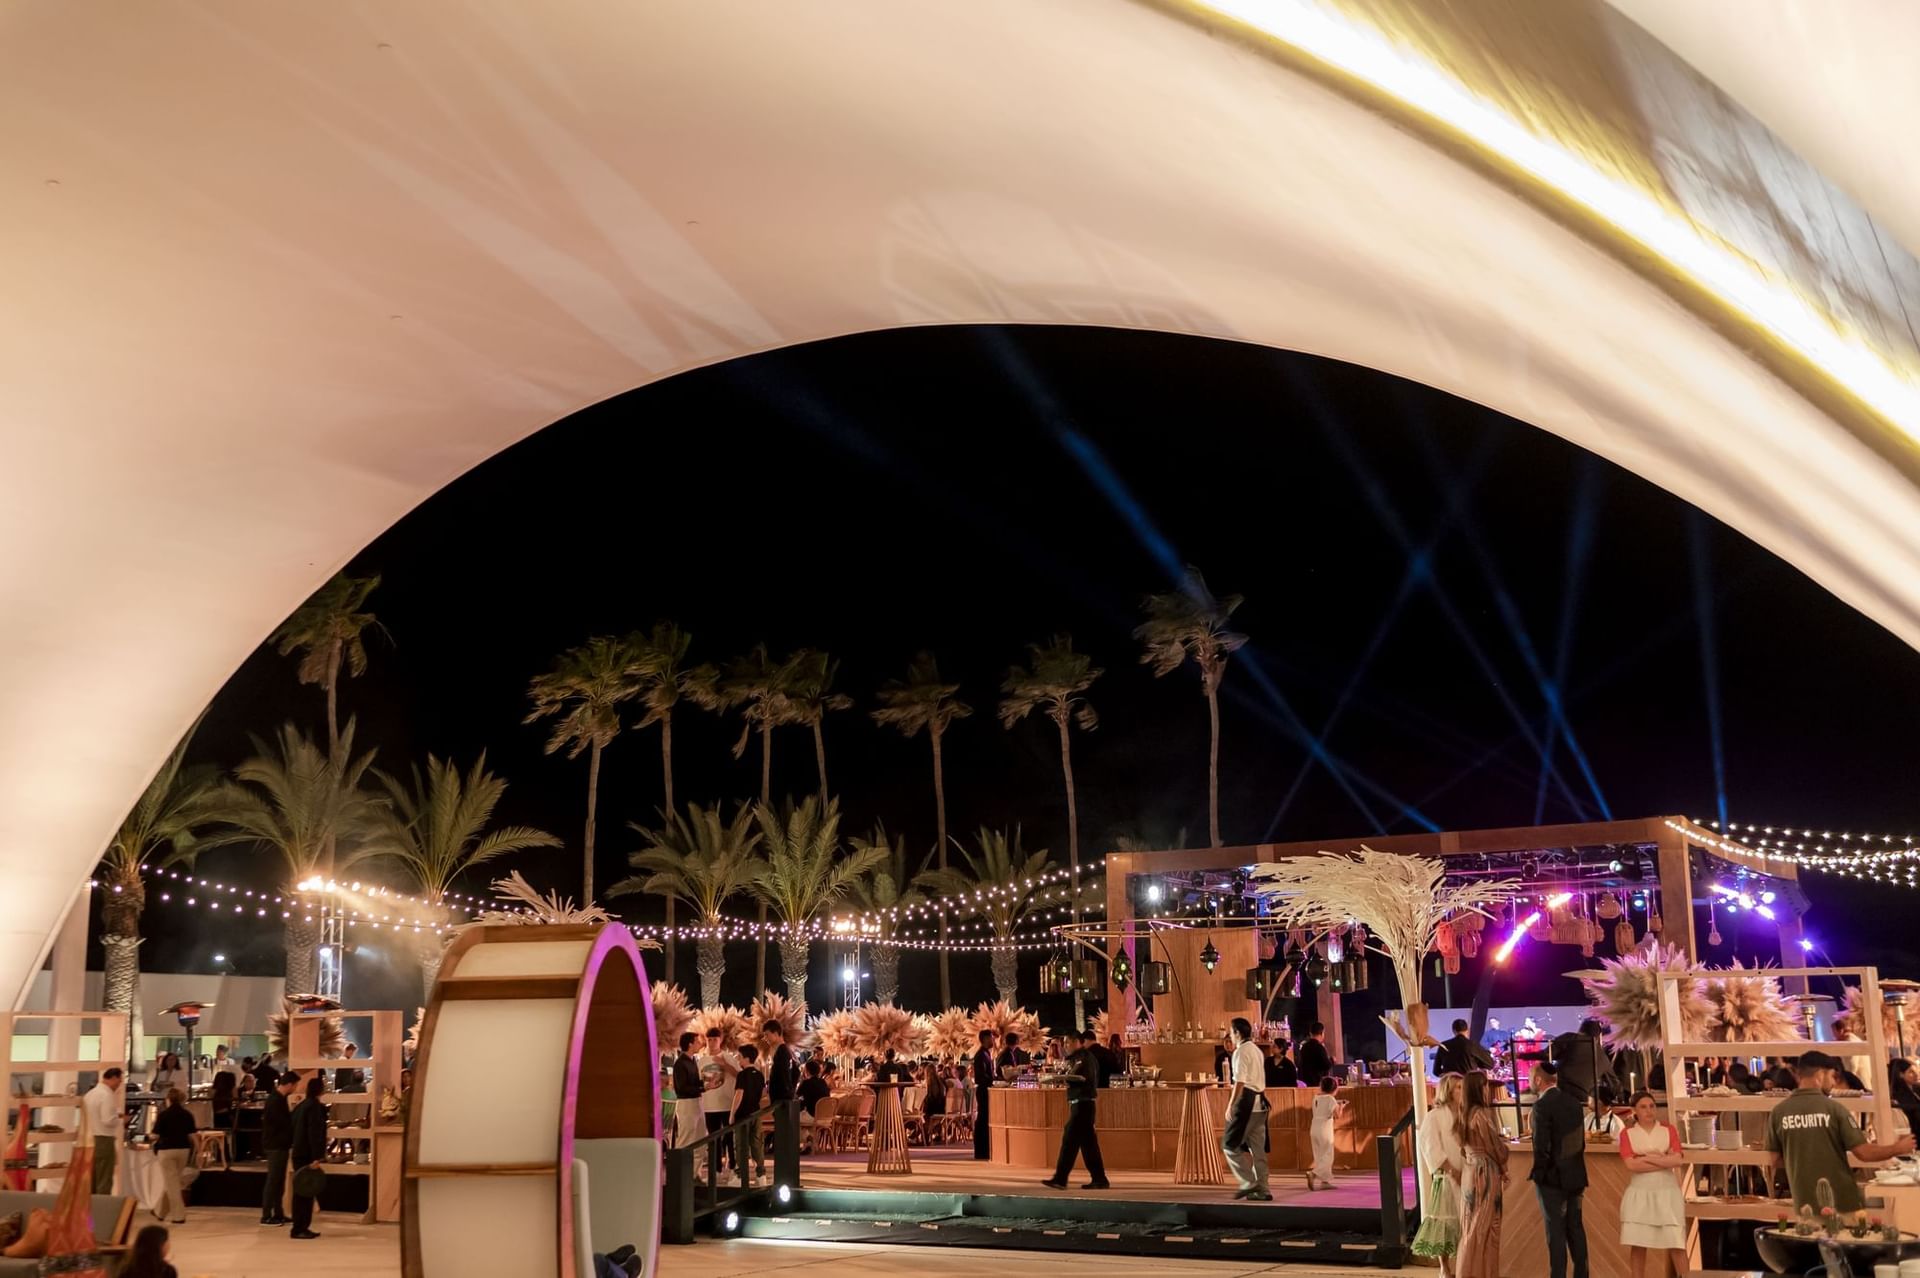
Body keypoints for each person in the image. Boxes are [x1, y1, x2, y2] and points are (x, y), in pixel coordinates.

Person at [1765, 1049, 1915, 1213]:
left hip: (1803, 1202)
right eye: (1831, 1076)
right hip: (1841, 1201)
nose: (1833, 1083)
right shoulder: (1834, 1109)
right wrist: (1898, 1148)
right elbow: (1864, 1153)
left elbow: (1774, 1159)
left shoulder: (1778, 1112)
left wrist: (1803, 1162)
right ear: (1820, 1075)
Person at [1617, 1090, 1687, 1278]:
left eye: (1651, 1106)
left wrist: (1646, 1158)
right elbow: (1631, 1164)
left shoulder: (1668, 1130)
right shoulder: (1627, 1134)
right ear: (1634, 1111)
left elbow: (1678, 1161)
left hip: (1667, 1192)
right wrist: (1661, 1158)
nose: (1649, 1111)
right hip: (1640, 1193)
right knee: (1638, 1243)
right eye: (1643, 1107)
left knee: (1676, 1242)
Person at [1530, 1061, 1590, 1278]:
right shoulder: (1574, 1103)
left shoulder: (1541, 1107)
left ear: (1538, 1080)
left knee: (1555, 1233)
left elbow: (1541, 1146)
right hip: (1575, 1174)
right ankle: (1582, 1274)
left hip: (1552, 1179)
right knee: (1576, 1229)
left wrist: (1539, 1173)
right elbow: (1580, 1141)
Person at [1455, 1071, 1509, 1278]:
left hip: (1470, 1171)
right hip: (1485, 1172)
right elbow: (1494, 1146)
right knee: (1485, 1226)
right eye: (1486, 1086)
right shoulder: (1480, 1115)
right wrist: (1504, 1167)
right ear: (1480, 1089)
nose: (1488, 1090)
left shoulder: (1463, 1113)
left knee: (1470, 1223)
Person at [1041, 1029, 1108, 1190]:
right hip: (1081, 1104)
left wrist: (1064, 1078)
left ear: (1077, 1041)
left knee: (1069, 1141)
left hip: (1083, 1104)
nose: (1066, 1046)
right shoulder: (1077, 1058)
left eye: (1068, 1042)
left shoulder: (1084, 1058)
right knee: (1088, 1145)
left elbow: (1081, 1077)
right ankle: (1099, 1178)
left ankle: (1060, 1178)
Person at [1412, 1072, 1465, 1273]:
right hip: (1447, 1175)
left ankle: (1463, 1262)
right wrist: (1450, 1169)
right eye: (1458, 1088)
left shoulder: (1465, 1113)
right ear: (1448, 1091)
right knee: (1445, 1222)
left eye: (1462, 1087)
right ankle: (1445, 1267)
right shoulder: (1435, 1116)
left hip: (1466, 1173)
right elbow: (1429, 1145)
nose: (1462, 1091)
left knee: (1463, 1221)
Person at [1222, 1017, 1272, 1201]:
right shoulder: (1257, 1050)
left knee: (1229, 1145)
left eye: (1231, 1032)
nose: (1230, 1036)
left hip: (1247, 1102)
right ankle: (1264, 1189)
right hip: (1261, 1104)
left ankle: (1248, 1182)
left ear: (1237, 1033)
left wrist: (1230, 1104)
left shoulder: (1241, 1052)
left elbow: (1240, 1082)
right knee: (1257, 1149)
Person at [289, 1074, 329, 1239]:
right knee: (306, 1191)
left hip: (298, 1152)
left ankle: (299, 1226)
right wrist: (317, 1156)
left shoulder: (301, 1106)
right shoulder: (314, 1107)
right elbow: (314, 1133)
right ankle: (300, 1227)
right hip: (307, 1154)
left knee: (301, 1190)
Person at [148, 1087, 196, 1224]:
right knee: (173, 1182)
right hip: (183, 1151)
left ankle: (179, 1216)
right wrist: (198, 1152)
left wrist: (147, 1138)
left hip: (166, 1150)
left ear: (168, 1099)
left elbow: (155, 1135)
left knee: (172, 1184)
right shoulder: (187, 1114)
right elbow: (193, 1135)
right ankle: (160, 1211)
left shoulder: (163, 1115)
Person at [698, 1027, 741, 1179]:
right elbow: (699, 1081)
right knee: (713, 1139)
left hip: (726, 1104)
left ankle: (732, 1166)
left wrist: (724, 1065)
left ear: (720, 1040)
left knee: (729, 1138)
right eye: (709, 1039)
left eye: (715, 1039)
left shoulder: (728, 1057)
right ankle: (716, 1169)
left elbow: (739, 1075)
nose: (712, 1042)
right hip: (709, 1106)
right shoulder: (702, 1060)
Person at [260, 1070, 298, 1226]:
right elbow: (280, 1123)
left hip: (279, 1144)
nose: (296, 1088)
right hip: (275, 1145)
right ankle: (266, 1215)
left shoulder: (279, 1099)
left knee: (279, 1181)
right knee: (273, 1180)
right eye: (295, 1085)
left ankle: (278, 1213)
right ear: (289, 1084)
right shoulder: (275, 1100)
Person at [1550, 1019, 1615, 1107]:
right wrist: (1620, 1102)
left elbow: (1547, 1055)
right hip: (1582, 1100)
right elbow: (1614, 1082)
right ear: (1597, 1036)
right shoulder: (1601, 1056)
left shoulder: (1570, 1039)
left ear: (1581, 1029)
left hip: (1558, 1093)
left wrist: (1525, 1056)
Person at [84, 1066, 126, 1193]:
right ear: (113, 1078)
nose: (119, 1085)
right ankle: (102, 1209)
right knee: (104, 1178)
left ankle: (89, 1210)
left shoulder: (89, 1095)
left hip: (89, 1139)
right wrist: (121, 1120)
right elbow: (108, 1120)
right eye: (119, 1081)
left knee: (91, 1179)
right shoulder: (107, 1095)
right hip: (104, 1139)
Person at [731, 1043, 767, 1185]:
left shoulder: (742, 1075)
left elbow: (738, 1094)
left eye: (739, 1057)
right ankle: (760, 1174)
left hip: (743, 1114)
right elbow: (764, 1093)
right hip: (756, 1112)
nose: (738, 1060)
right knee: (756, 1143)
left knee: (741, 1145)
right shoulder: (759, 1075)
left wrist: (732, 1113)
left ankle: (740, 1176)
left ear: (746, 1059)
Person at [669, 1033, 703, 1151]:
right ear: (690, 1044)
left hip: (697, 1101)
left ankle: (696, 1169)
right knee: (686, 1138)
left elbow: (693, 1082)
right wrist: (703, 1088)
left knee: (700, 1138)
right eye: (697, 1042)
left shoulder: (693, 1061)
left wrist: (705, 1083)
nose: (700, 1044)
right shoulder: (680, 1063)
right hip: (686, 1103)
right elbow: (682, 1087)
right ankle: (681, 1168)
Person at [1308, 1075, 1342, 1190]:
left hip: (1314, 1128)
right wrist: (1341, 1106)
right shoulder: (1331, 1099)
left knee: (1319, 1155)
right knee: (1328, 1155)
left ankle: (1325, 1181)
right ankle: (1314, 1173)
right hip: (1325, 1129)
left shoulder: (1316, 1097)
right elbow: (1337, 1115)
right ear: (1334, 1089)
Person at [797, 1059, 832, 1150]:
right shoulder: (823, 1082)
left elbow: (796, 1096)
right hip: (825, 1117)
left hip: (812, 1116)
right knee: (803, 1120)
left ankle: (808, 1139)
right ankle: (809, 1142)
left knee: (791, 1119)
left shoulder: (806, 1083)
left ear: (807, 1071)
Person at [972, 1031, 996, 1160]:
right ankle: (980, 1151)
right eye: (992, 1038)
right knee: (982, 1119)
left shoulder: (986, 1054)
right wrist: (994, 1081)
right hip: (983, 1091)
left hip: (985, 1090)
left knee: (984, 1119)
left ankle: (983, 1150)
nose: (993, 1041)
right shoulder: (981, 1055)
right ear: (985, 1039)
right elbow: (981, 1076)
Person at [763, 1020, 797, 1110]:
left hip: (781, 1101)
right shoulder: (784, 1050)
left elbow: (786, 1074)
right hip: (782, 1099)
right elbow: (796, 1072)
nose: (765, 1038)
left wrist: (788, 1092)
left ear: (776, 1033)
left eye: (767, 1034)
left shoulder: (782, 1052)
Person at [1890, 1058, 1920, 1136]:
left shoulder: (1916, 1090)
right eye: (1911, 1072)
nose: (1916, 1074)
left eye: (1915, 1070)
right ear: (1901, 1074)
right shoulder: (1900, 1096)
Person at [1296, 1022, 1332, 1088]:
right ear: (1322, 1033)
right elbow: (1326, 1065)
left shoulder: (1304, 1047)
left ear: (1310, 1033)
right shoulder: (1319, 1047)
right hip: (1317, 1082)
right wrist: (1332, 1060)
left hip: (1304, 1082)